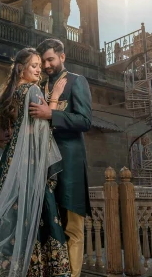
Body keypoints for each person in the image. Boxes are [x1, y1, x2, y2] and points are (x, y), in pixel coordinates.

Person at [0, 47, 72, 277]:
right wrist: (54, 98)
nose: (39, 70)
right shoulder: (33, 90)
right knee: (36, 214)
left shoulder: (12, 92)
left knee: (11, 215)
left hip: (12, 161)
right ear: (21, 68)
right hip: (29, 162)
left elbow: (17, 130)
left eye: (40, 65)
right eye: (34, 66)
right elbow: (41, 129)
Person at [29, 39, 92, 277]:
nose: (46, 65)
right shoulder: (40, 86)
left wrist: (51, 114)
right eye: (43, 60)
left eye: (50, 59)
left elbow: (85, 121)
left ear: (62, 57)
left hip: (70, 165)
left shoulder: (77, 81)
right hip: (44, 165)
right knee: (48, 223)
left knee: (72, 227)